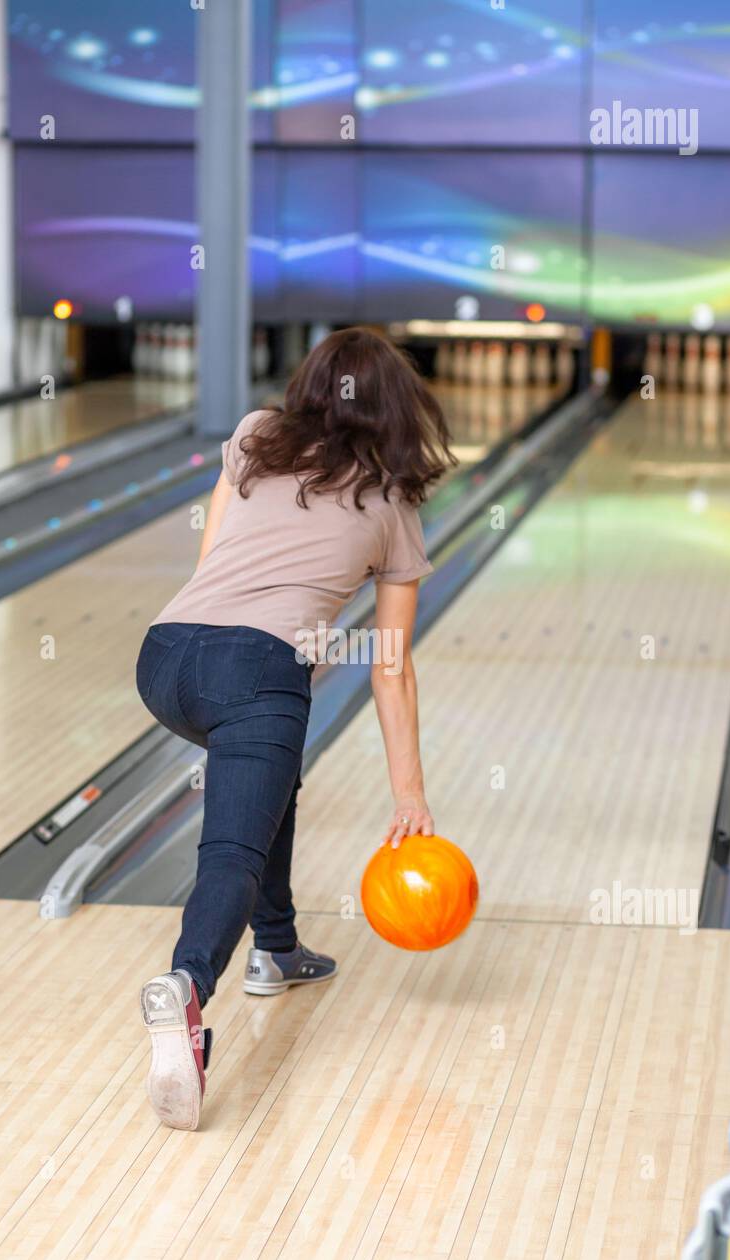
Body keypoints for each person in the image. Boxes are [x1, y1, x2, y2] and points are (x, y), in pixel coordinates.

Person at [136, 327, 456, 1129]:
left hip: (166, 656)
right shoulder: (391, 501)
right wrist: (409, 795)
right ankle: (185, 990)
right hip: (255, 672)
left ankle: (275, 947)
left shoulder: (251, 436)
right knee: (233, 850)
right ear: (396, 406)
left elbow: (211, 566)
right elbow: (390, 665)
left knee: (267, 777)